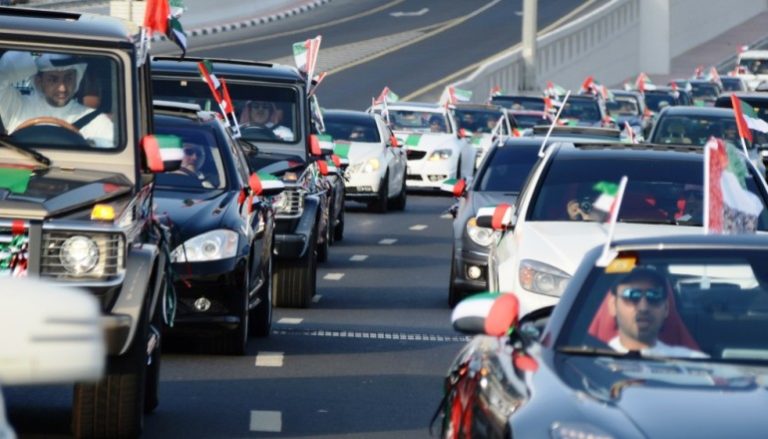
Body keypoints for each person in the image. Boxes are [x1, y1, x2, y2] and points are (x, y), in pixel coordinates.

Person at [0, 51, 114, 148]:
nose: (62, 88)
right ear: (39, 82)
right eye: (53, 79)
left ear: (77, 79)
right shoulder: (18, 107)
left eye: (68, 78)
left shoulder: (97, 121)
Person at [606, 268, 707, 357]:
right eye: (632, 295)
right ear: (613, 306)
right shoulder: (593, 361)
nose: (643, 308)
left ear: (666, 308)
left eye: (654, 295)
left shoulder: (696, 364)